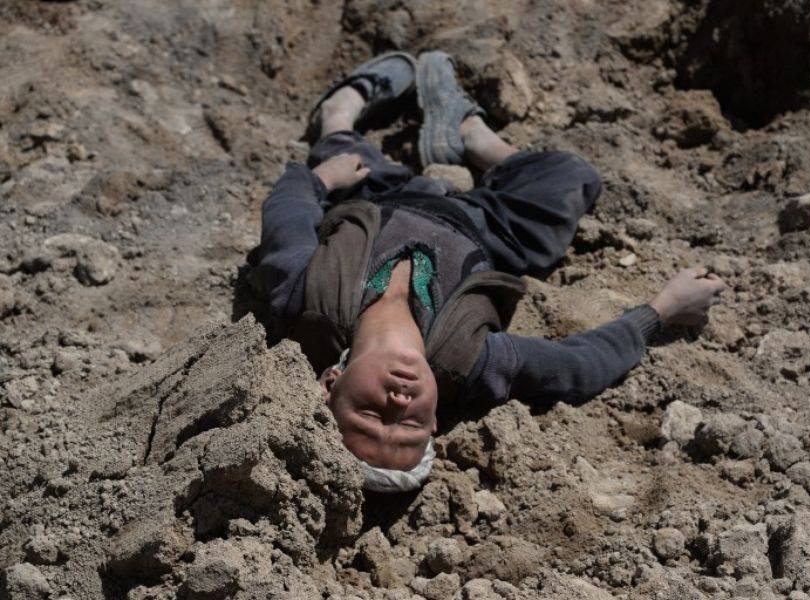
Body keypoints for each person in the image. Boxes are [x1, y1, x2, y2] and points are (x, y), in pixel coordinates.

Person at [250, 51, 726, 492]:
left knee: (344, 152)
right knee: (571, 178)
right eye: (410, 423)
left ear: (330, 384)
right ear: (435, 420)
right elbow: (578, 368)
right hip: (486, 230)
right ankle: (473, 139)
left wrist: (320, 180)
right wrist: (663, 310)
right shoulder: (470, 362)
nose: (398, 401)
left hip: (379, 197)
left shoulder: (304, 300)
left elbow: (286, 219)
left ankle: (337, 113)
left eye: (371, 413)